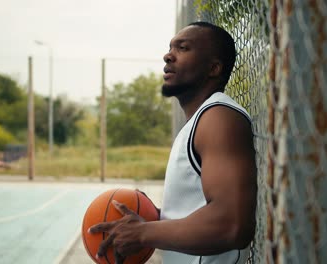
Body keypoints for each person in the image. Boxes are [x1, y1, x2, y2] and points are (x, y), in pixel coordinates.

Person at [89, 21, 257, 264]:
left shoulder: (219, 117)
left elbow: (232, 224)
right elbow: (203, 209)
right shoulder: (199, 121)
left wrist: (144, 232)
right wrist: (158, 217)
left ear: (214, 68)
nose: (168, 56)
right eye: (170, 48)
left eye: (183, 48)